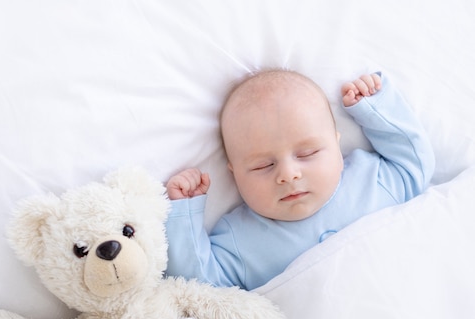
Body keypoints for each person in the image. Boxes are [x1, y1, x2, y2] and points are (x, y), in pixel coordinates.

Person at [164, 69, 435, 290]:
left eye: (308, 153)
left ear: (337, 146)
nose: (288, 174)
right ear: (234, 174)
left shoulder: (371, 179)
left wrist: (375, 109)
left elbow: (416, 165)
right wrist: (184, 214)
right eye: (263, 165)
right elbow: (198, 286)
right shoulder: (240, 239)